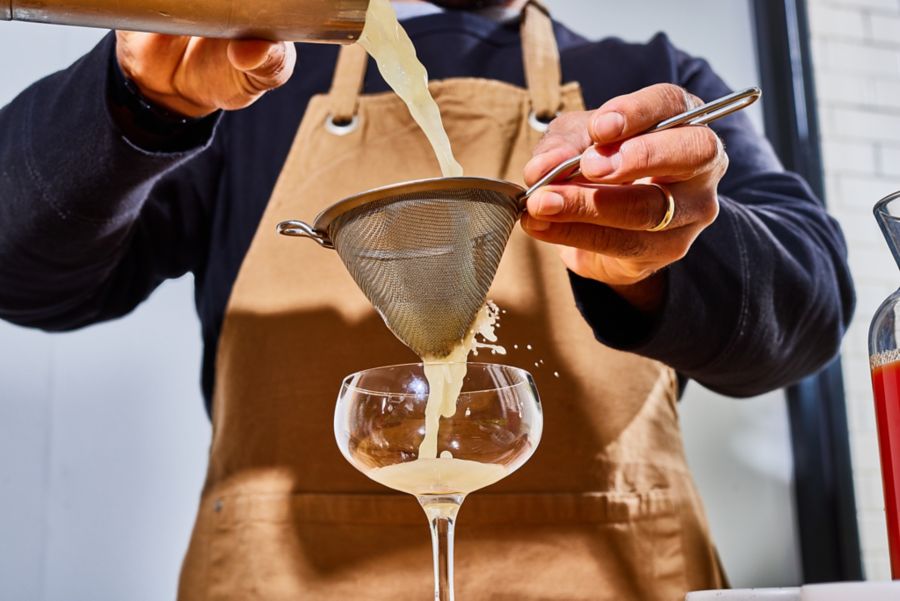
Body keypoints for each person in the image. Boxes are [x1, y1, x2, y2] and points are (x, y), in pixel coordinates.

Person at [0, 0, 854, 599]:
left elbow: (810, 311)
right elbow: (21, 269)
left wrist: (657, 251)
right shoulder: (246, 69)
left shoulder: (646, 82)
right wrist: (141, 103)